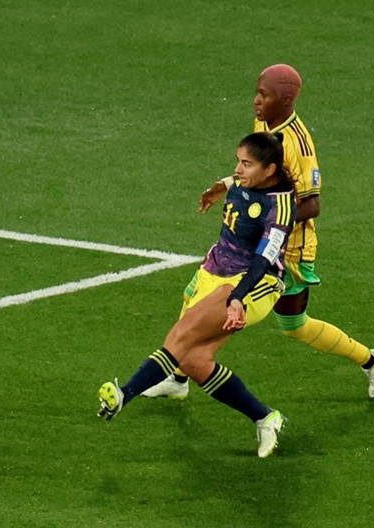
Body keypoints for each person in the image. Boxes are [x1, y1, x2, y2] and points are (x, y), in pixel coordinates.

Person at [142, 64, 374, 401]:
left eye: (264, 95)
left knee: (294, 325)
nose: (256, 101)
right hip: (256, 242)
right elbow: (261, 173)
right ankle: (180, 376)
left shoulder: (298, 146)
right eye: (257, 92)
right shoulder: (265, 122)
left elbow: (312, 204)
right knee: (197, 294)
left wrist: (267, 223)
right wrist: (228, 184)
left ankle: (371, 359)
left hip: (289, 250)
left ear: (285, 100)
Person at [97, 131, 297, 458]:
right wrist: (222, 185)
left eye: (246, 164)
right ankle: (264, 417)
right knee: (193, 359)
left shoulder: (281, 206)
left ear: (270, 170)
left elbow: (264, 258)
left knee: (183, 334)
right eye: (238, 161)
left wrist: (237, 298)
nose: (238, 169)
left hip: (252, 284)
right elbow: (237, 180)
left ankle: (124, 394)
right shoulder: (247, 180)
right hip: (213, 271)